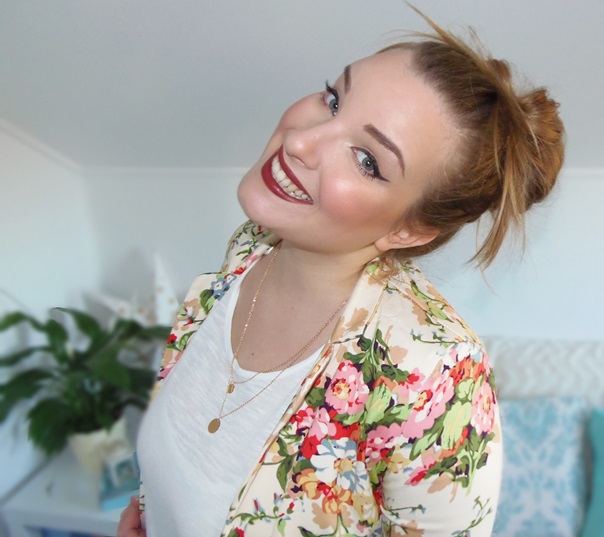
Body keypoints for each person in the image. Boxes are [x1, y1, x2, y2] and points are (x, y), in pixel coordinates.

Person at [118, 12, 564, 537]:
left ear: (408, 229)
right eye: (333, 100)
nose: (301, 142)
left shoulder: (438, 376)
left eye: (367, 160)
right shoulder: (249, 249)